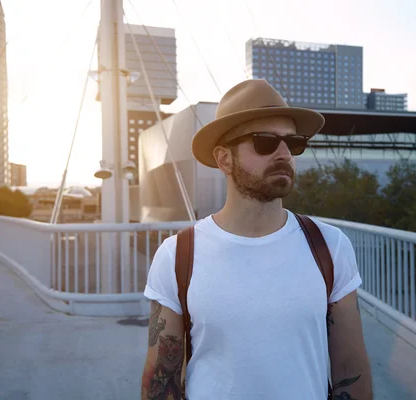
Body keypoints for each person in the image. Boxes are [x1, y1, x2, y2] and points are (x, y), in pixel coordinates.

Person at [140, 79, 373, 400]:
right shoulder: (178, 255)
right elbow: (160, 383)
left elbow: (351, 371)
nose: (283, 153)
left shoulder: (330, 247)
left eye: (293, 143)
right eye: (265, 142)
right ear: (224, 159)